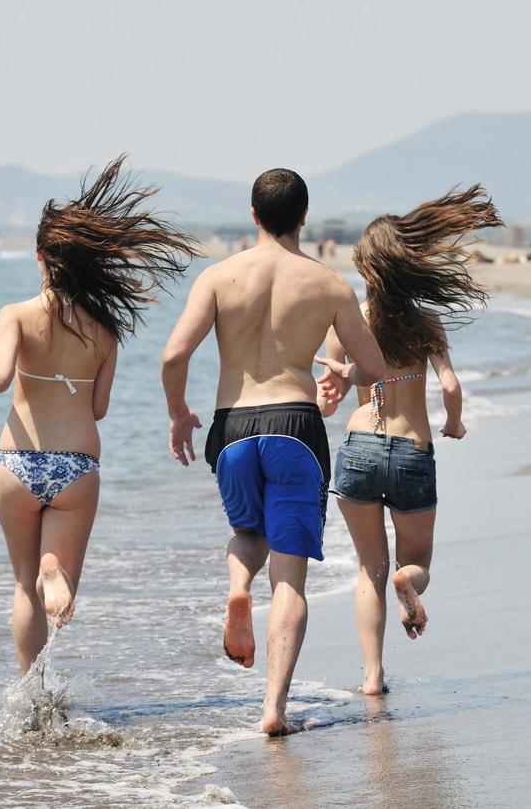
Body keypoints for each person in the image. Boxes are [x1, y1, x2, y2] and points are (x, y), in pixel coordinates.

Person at [160, 168, 387, 735]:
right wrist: (341, 372)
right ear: (304, 217)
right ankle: (273, 710)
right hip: (295, 425)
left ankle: (238, 588)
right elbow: (377, 370)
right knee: (290, 579)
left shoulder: (217, 277)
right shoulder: (329, 284)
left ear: (254, 216)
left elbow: (172, 357)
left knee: (247, 533)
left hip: (233, 426)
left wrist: (178, 412)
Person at [0, 156, 199, 672]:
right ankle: (58, 572)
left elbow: (1, 376)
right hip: (75, 466)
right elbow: (98, 409)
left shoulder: (16, 315)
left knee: (22, 586)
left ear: (41, 259)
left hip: (18, 463)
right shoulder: (105, 330)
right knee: (54, 576)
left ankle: (33, 695)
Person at [316, 186, 503, 695]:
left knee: (367, 570)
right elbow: (449, 385)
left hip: (359, 449)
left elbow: (330, 401)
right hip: (412, 451)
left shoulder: (349, 320)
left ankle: (373, 677)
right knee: (413, 562)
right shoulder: (426, 322)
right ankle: (409, 585)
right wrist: (455, 423)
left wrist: (331, 392)